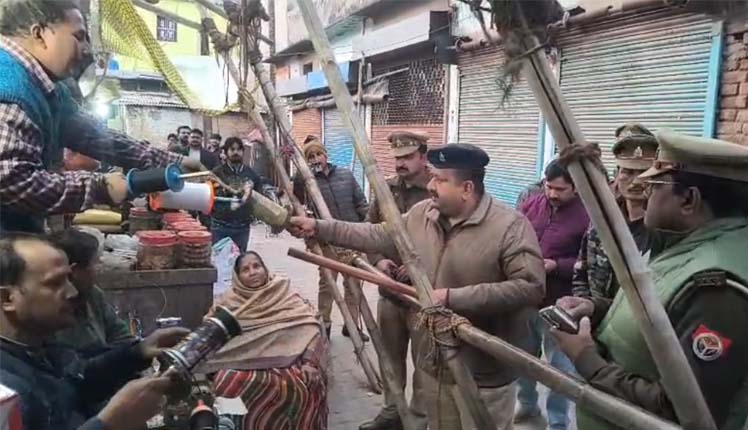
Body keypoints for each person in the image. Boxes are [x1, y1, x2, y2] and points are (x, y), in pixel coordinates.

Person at [289, 144, 545, 430]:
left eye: (440, 179)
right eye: (432, 177)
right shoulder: (423, 214)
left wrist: (452, 298)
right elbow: (377, 234)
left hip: (483, 372)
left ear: (467, 188)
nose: (431, 186)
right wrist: (319, 227)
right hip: (436, 363)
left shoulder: (510, 227)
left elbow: (530, 287)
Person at [553, 131, 748, 430]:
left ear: (688, 199)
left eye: (655, 185)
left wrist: (586, 359)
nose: (643, 191)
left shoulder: (717, 287)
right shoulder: (681, 246)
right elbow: (664, 314)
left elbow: (683, 410)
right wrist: (596, 308)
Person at [0, 1, 202, 233]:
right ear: (40, 34)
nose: (87, 49)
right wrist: (99, 187)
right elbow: (10, 181)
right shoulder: (9, 89)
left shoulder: (47, 90)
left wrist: (171, 161)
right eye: (79, 37)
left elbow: (95, 136)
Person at [0, 233, 190, 430]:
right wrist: (110, 422)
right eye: (55, 283)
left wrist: (137, 352)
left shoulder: (42, 348)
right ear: (7, 298)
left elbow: (78, 381)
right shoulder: (5, 389)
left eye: (68, 279)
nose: (72, 292)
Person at [204, 251, 328, 430]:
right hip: (242, 362)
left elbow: (310, 327)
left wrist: (310, 363)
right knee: (227, 382)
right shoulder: (228, 302)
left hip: (288, 360)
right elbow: (211, 333)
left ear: (265, 269)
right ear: (237, 277)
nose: (253, 272)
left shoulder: (284, 294)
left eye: (257, 266)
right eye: (245, 270)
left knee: (304, 384)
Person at [360, 131, 431, 430]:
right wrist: (378, 260)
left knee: (425, 362)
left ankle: (418, 418)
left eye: (407, 157)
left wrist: (419, 268)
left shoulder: (438, 190)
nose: (400, 163)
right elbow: (369, 229)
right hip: (389, 291)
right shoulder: (386, 189)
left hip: (424, 296)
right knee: (390, 357)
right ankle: (393, 410)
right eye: (397, 157)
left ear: (423, 157)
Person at [515, 159, 589, 430]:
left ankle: (558, 422)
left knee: (560, 369)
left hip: (561, 305)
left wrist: (557, 265)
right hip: (525, 299)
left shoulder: (587, 216)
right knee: (522, 359)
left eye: (560, 189)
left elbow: (588, 262)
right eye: (549, 186)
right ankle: (527, 406)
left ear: (575, 187)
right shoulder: (530, 205)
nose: (553, 193)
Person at [565, 124, 658, 325]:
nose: (636, 182)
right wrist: (585, 309)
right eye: (628, 172)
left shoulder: (664, 230)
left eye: (643, 173)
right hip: (594, 324)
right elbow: (582, 271)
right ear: (617, 174)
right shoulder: (603, 219)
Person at [293, 135, 369, 339]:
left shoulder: (345, 175)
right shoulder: (307, 182)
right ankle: (324, 325)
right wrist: (301, 174)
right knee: (328, 284)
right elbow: (297, 200)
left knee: (353, 285)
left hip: (352, 236)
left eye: (319, 154)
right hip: (327, 240)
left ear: (326, 155)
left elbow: (361, 203)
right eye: (311, 157)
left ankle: (352, 325)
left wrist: (367, 227)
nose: (316, 159)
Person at [48, 229, 134, 356]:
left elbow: (121, 335)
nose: (98, 268)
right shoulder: (52, 311)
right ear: (74, 271)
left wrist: (138, 351)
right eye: (94, 263)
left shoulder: (93, 295)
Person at [211, 137, 276, 252]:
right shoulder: (216, 174)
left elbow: (258, 199)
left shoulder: (252, 175)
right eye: (232, 149)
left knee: (240, 258)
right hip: (220, 226)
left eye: (239, 149)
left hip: (242, 227)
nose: (236, 152)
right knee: (221, 259)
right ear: (225, 152)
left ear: (243, 152)